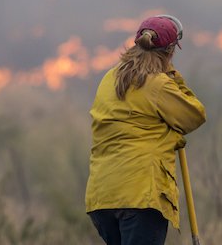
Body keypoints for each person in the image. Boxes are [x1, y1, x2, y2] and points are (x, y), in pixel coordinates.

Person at [85, 15, 207, 245]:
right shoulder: (158, 84)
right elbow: (194, 115)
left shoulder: (109, 78)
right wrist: (171, 73)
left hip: (102, 196)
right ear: (169, 51)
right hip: (140, 193)